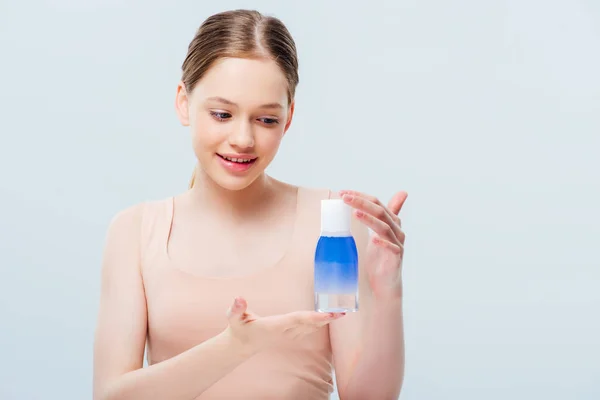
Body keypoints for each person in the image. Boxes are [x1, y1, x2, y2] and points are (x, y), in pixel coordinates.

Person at [93, 9, 407, 400]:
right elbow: (112, 396)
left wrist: (387, 293)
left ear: (288, 118)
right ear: (183, 102)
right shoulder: (135, 232)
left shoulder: (332, 225)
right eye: (222, 114)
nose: (242, 139)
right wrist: (235, 346)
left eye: (266, 120)